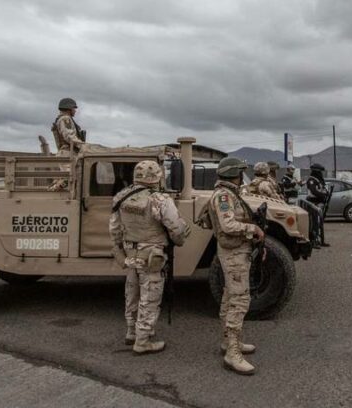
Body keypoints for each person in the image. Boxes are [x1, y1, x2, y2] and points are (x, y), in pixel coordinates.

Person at [109, 160, 189, 354]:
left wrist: (122, 247)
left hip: (131, 253)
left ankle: (131, 331)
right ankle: (143, 341)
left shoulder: (121, 196)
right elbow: (176, 228)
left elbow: (114, 228)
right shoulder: (160, 199)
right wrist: (181, 238)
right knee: (150, 296)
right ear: (157, 177)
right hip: (152, 255)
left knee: (132, 292)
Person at [207, 157, 264, 375]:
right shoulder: (224, 195)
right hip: (233, 252)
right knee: (239, 299)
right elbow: (228, 225)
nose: (242, 176)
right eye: (240, 172)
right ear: (234, 174)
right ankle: (232, 353)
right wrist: (252, 229)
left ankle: (229, 342)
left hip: (236, 251)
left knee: (230, 296)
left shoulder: (230, 193)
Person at [49, 98, 85, 190]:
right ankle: (53, 190)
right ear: (68, 108)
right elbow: (69, 136)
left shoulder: (64, 119)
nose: (75, 110)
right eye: (74, 108)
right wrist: (84, 146)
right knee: (71, 178)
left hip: (69, 152)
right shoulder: (65, 119)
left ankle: (54, 188)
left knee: (71, 177)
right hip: (67, 152)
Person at [306, 163, 330, 247]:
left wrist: (326, 193)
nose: (321, 173)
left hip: (319, 204)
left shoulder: (319, 180)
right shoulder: (311, 180)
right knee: (314, 223)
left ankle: (321, 240)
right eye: (320, 172)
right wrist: (323, 195)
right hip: (313, 204)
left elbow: (321, 189)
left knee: (319, 223)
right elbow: (314, 191)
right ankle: (313, 241)